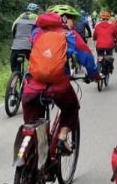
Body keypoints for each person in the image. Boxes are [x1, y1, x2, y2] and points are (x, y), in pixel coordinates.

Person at [23, 10, 100, 154]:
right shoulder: (69, 35)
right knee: (71, 108)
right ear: (63, 20)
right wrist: (94, 75)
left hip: (32, 87)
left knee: (31, 124)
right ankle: (63, 136)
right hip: (58, 88)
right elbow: (87, 58)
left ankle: (29, 149)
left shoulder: (36, 33)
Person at [10, 3, 39, 73]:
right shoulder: (38, 19)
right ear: (37, 11)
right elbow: (39, 33)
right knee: (36, 64)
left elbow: (13, 30)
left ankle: (15, 77)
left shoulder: (19, 18)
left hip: (16, 46)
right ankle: (31, 77)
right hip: (30, 47)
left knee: (15, 67)